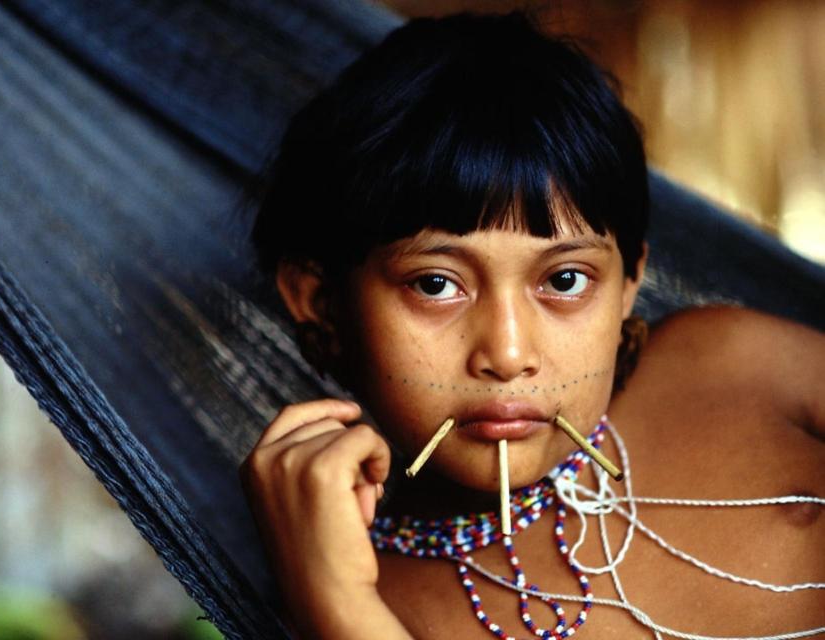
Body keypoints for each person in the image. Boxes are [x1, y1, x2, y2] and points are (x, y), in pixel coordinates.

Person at [239, 12, 824, 640]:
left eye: (565, 280)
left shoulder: (735, 365)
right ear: (321, 301)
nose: (509, 353)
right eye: (435, 284)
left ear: (629, 280)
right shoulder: (358, 600)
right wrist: (337, 600)